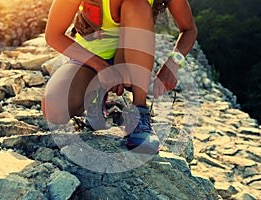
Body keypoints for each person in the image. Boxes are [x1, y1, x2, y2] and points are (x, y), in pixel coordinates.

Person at [41, 0, 197, 153]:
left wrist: (172, 65)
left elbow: (189, 29)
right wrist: (101, 67)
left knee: (137, 5)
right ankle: (97, 94)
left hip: (134, 60)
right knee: (54, 109)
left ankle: (139, 113)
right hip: (91, 57)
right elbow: (53, 35)